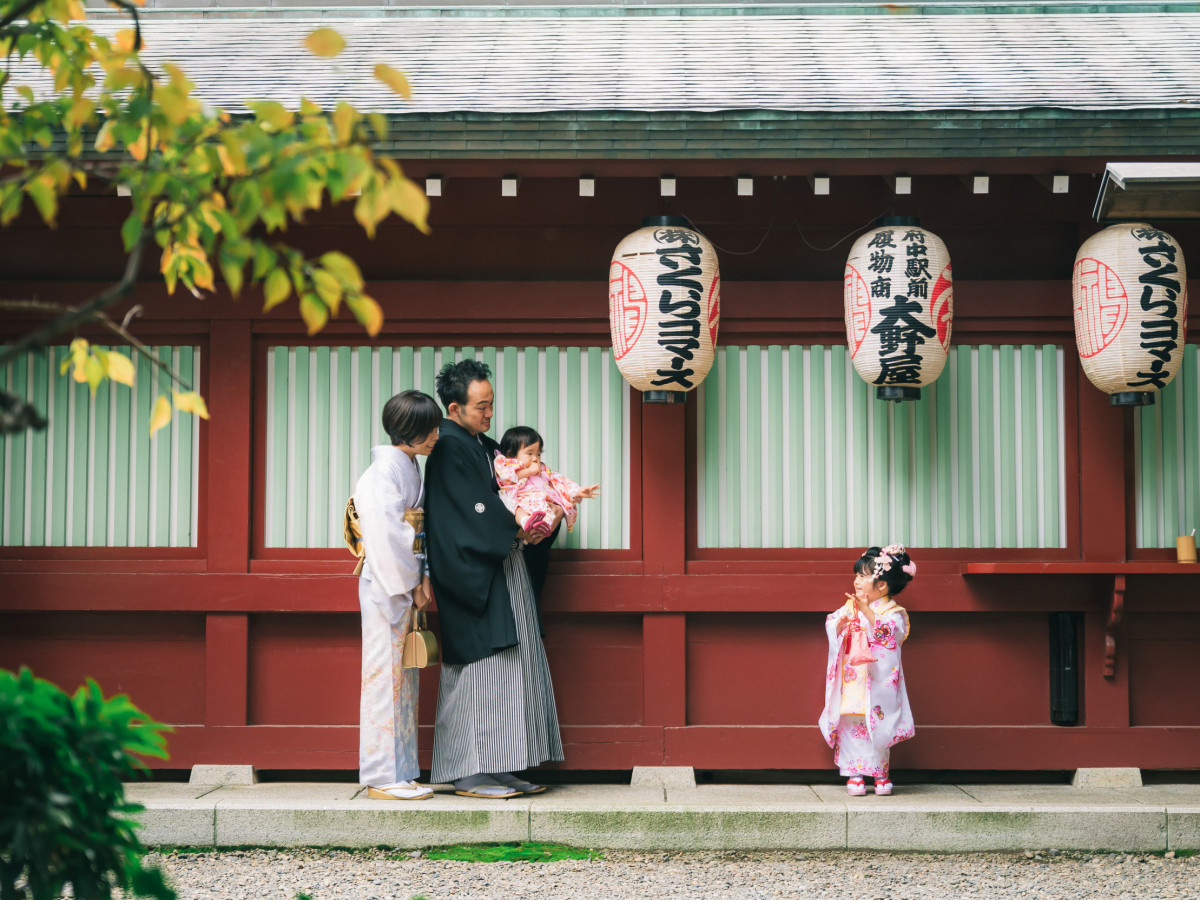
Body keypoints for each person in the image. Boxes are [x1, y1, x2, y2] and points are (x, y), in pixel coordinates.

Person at [423, 359, 565, 799]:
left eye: (491, 405)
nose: (489, 414)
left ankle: (499, 765)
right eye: (481, 407)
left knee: (511, 669)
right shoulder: (449, 448)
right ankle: (467, 771)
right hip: (474, 575)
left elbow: (509, 493)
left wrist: (545, 509)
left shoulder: (481, 445)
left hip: (503, 568)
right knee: (479, 672)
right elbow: (470, 511)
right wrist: (517, 528)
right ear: (454, 407)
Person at [353, 390, 442, 800]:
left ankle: (402, 771)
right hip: (387, 585)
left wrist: (420, 578)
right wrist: (411, 582)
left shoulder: (406, 466)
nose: (436, 435)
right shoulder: (380, 475)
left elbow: (413, 533)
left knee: (402, 678)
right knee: (382, 678)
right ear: (407, 433)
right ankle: (380, 776)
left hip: (404, 582)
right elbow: (389, 535)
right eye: (429, 429)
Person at [818, 544, 916, 796]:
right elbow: (831, 622)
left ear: (882, 586)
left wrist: (867, 614)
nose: (857, 581)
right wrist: (838, 625)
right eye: (857, 575)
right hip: (853, 680)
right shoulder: (850, 606)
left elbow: (892, 637)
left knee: (878, 723)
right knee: (852, 722)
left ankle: (881, 774)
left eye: (863, 576)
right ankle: (855, 774)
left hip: (877, 681)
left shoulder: (892, 613)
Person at [493, 425, 601, 537]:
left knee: (549, 511)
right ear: (511, 454)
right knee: (518, 509)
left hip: (540, 504)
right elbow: (505, 478)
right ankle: (525, 522)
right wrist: (529, 471)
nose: (535, 458)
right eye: (530, 453)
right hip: (519, 499)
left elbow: (559, 481)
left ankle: (542, 527)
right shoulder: (507, 464)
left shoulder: (543, 470)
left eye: (538, 454)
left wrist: (577, 491)